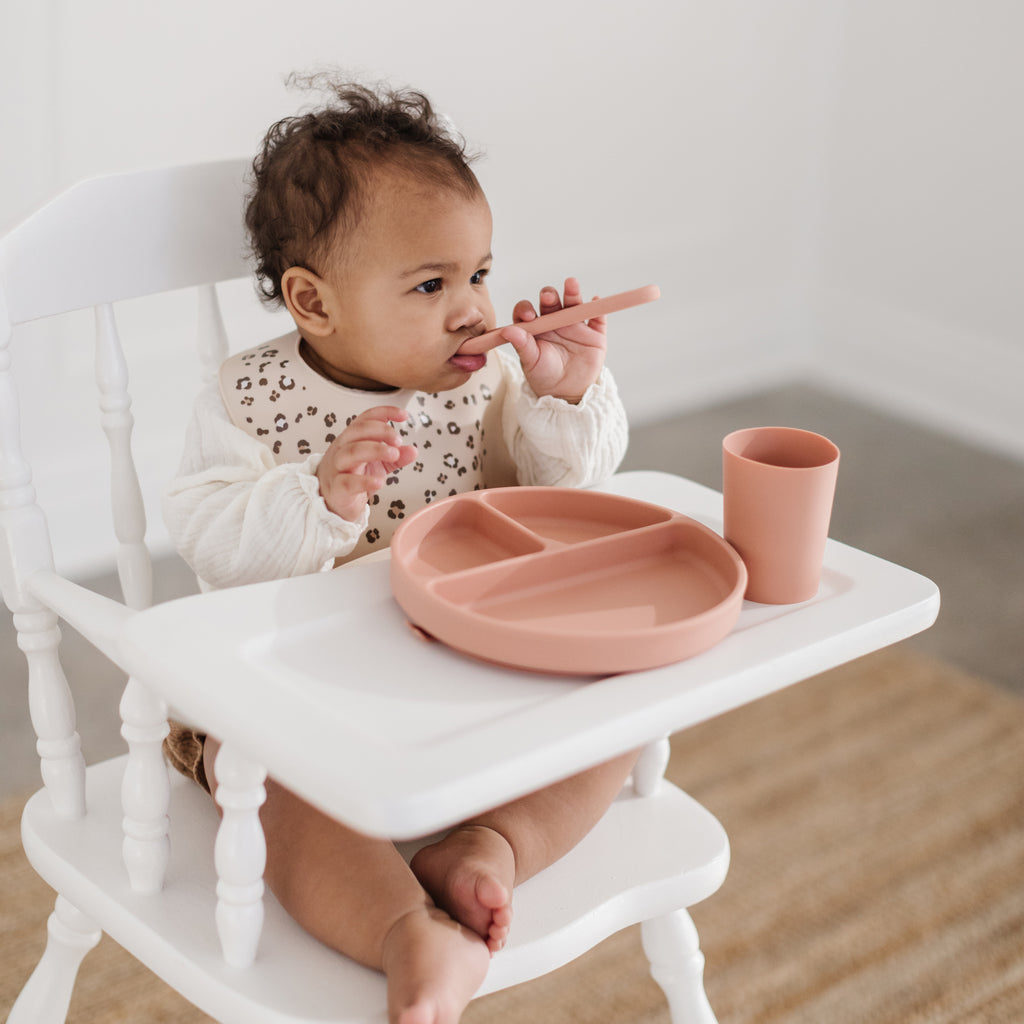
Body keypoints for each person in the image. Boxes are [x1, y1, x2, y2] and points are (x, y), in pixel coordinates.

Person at [163, 75, 636, 1024]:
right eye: (431, 285)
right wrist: (316, 498)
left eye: (479, 274)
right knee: (278, 798)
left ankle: (485, 849)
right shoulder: (248, 403)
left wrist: (563, 397)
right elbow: (203, 529)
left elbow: (558, 498)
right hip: (290, 698)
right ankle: (402, 932)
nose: (472, 310)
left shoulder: (493, 374)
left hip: (462, 678)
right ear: (313, 302)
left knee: (615, 725)